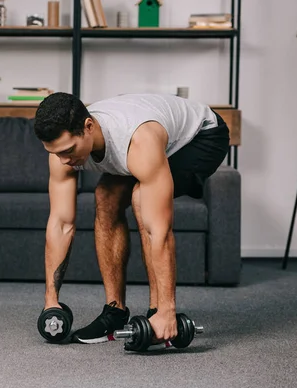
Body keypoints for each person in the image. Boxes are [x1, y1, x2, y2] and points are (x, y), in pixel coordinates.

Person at [33, 92, 229, 344]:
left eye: (69, 151)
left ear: (88, 127)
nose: (64, 161)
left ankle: (158, 312)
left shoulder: (138, 141)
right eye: (56, 153)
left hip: (201, 136)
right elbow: (61, 223)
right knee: (105, 196)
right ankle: (115, 312)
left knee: (140, 198)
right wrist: (51, 300)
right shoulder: (62, 151)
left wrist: (168, 311)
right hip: (151, 139)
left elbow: (157, 230)